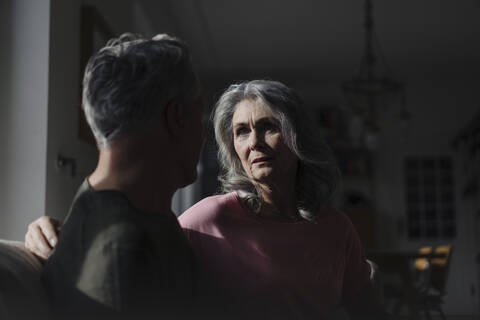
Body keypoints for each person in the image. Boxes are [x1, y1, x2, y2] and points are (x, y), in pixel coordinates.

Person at [27, 80, 385, 319]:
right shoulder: (210, 219)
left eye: (269, 126)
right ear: (234, 149)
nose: (254, 142)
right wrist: (57, 231)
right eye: (242, 132)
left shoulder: (336, 229)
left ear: (297, 138)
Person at [37, 33, 204, 319]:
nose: (203, 136)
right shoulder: (117, 252)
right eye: (200, 116)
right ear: (176, 117)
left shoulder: (143, 215)